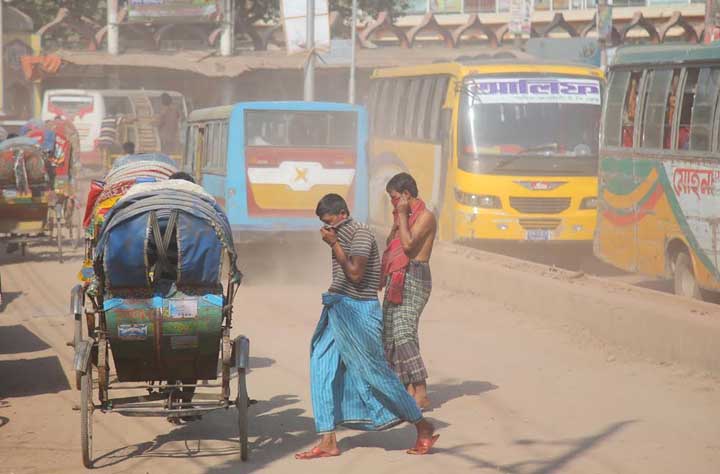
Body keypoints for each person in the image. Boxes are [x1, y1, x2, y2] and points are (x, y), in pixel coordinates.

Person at [296, 193, 438, 460]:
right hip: (337, 306)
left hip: (359, 310)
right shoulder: (339, 233)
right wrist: (334, 241)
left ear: (341, 214)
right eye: (324, 225)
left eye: (330, 222)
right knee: (321, 366)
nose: (327, 229)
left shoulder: (360, 234)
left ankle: (423, 426)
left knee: (375, 373)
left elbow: (355, 274)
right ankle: (327, 438)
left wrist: (334, 243)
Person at [381, 173, 437, 410]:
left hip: (415, 275)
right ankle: (406, 389)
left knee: (403, 331)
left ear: (405, 195)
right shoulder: (403, 217)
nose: (393, 203)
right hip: (397, 277)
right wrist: (398, 220)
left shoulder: (425, 217)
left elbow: (408, 245)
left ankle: (421, 390)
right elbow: (391, 242)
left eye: (394, 198)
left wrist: (402, 216)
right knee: (391, 333)